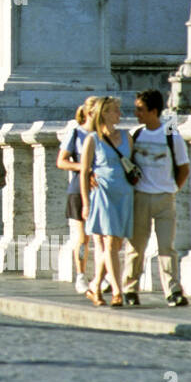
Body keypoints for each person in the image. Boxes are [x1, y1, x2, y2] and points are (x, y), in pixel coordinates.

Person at [122, 89, 191, 307]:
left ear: (153, 111)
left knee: (166, 247)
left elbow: (183, 168)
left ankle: (172, 290)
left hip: (164, 198)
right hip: (140, 196)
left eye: (140, 109)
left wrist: (171, 189)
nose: (136, 113)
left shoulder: (171, 134)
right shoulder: (137, 133)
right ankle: (130, 288)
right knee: (136, 247)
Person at [79, 96, 134, 307]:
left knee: (116, 243)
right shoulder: (92, 140)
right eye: (114, 110)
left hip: (125, 194)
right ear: (104, 113)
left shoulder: (127, 136)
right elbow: (84, 172)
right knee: (110, 242)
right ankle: (118, 291)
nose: (119, 114)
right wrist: (86, 202)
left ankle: (94, 285)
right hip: (103, 194)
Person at [57, 98, 98, 294]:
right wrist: (83, 167)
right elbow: (62, 161)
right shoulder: (76, 132)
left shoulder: (107, 133)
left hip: (101, 189)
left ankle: (101, 277)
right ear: (91, 113)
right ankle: (81, 274)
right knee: (82, 237)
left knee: (102, 237)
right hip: (78, 189)